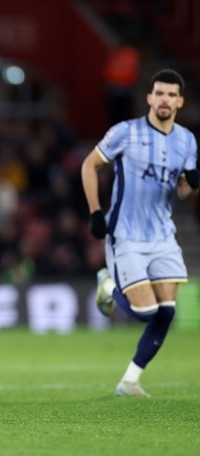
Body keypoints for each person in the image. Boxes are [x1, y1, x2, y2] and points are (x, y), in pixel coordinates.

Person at [81, 69, 199, 397]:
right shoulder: (126, 132)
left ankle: (130, 381)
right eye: (159, 93)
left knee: (167, 313)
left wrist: (192, 185)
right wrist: (94, 211)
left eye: (171, 95)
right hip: (126, 234)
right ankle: (109, 282)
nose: (165, 99)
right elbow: (89, 165)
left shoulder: (186, 140)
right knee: (146, 312)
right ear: (149, 97)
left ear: (180, 101)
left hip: (162, 235)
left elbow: (182, 192)